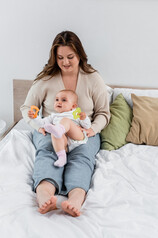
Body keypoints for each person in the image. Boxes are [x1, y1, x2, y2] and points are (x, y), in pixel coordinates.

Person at [20, 30, 110, 217]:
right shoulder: (45, 79)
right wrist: (39, 126)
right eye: (60, 57)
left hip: (82, 131)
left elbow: (103, 113)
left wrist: (93, 129)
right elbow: (27, 107)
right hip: (52, 128)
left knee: (82, 157)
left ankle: (75, 200)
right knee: (46, 152)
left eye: (70, 57)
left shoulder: (93, 78)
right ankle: (45, 195)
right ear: (54, 57)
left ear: (80, 55)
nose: (65, 62)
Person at [28, 89, 91, 167]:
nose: (59, 102)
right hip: (64, 142)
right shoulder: (54, 116)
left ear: (73, 106)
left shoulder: (75, 113)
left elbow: (87, 126)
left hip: (76, 136)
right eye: (56, 99)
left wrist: (84, 118)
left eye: (64, 100)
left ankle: (58, 130)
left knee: (65, 121)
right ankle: (62, 157)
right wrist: (35, 117)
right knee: (54, 132)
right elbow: (43, 123)